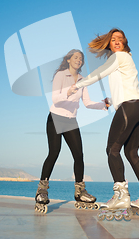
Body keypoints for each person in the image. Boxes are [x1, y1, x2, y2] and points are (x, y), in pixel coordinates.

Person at [69, 29, 139, 219]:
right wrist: (111, 99)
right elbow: (123, 84)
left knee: (112, 149)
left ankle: (121, 195)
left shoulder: (119, 56)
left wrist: (76, 85)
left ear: (124, 42)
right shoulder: (127, 58)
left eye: (120, 39)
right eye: (113, 39)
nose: (116, 42)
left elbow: (98, 73)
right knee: (131, 153)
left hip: (128, 108)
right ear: (109, 43)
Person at [34, 49, 109, 213]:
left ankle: (80, 192)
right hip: (55, 117)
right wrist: (69, 91)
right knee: (54, 152)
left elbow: (87, 103)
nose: (79, 60)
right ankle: (42, 191)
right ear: (68, 59)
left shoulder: (82, 80)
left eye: (81, 59)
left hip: (71, 120)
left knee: (79, 155)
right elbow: (55, 98)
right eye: (76, 57)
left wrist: (103, 104)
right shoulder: (61, 75)